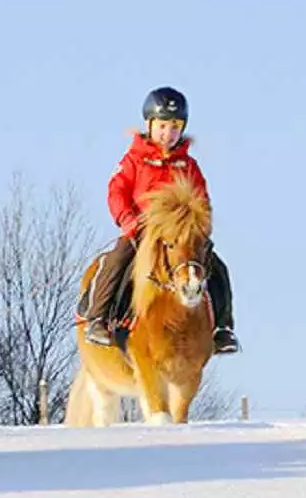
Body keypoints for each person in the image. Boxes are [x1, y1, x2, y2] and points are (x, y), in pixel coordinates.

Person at [79, 86, 239, 355]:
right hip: (142, 231)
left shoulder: (188, 166)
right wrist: (127, 218)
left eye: (175, 127)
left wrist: (199, 226)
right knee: (117, 258)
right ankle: (99, 317)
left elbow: (202, 199)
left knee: (216, 266)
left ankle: (222, 328)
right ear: (150, 125)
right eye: (163, 126)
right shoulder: (134, 160)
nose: (168, 134)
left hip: (178, 237)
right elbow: (116, 190)